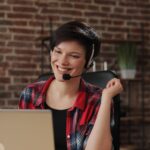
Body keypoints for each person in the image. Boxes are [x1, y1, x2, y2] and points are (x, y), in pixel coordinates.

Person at [19, 21, 123, 150]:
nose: (62, 62)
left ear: (88, 64)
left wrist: (106, 97)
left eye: (74, 56)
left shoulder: (97, 100)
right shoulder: (30, 94)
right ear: (51, 53)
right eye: (58, 51)